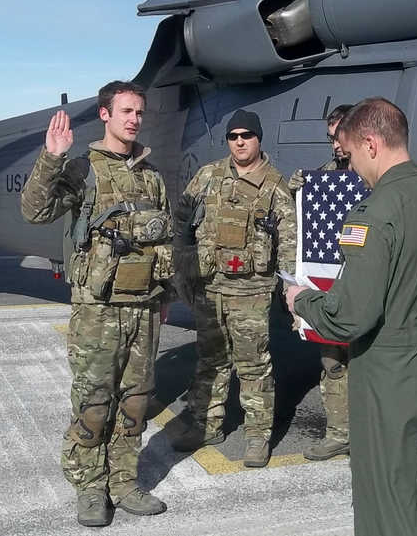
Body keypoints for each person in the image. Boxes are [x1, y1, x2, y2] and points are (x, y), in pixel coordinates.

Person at [285, 99, 417, 536]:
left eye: (354, 156)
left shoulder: (375, 213)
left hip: (388, 375)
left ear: (372, 144)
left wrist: (302, 300)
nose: (355, 169)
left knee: (385, 507)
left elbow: (348, 318)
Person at [21, 81, 174, 528]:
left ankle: (124, 481)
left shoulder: (151, 175)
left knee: (136, 400)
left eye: (139, 112)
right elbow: (35, 211)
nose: (134, 119)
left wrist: (163, 296)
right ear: (105, 115)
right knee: (94, 401)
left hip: (144, 308)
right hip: (98, 309)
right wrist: (52, 157)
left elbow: (162, 240)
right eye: (126, 111)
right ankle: (90, 485)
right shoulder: (83, 169)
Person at [169, 109, 297, 467]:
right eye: (233, 136)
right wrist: (182, 262)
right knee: (210, 361)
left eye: (246, 135)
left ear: (258, 138)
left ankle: (257, 436)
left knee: (253, 365)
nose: (239, 141)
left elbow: (288, 241)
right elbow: (182, 216)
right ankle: (206, 425)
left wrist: (290, 287)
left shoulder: (274, 185)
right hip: (211, 289)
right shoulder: (208, 176)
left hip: (251, 292)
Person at [287, 103, 354, 461]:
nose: (335, 146)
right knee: (332, 360)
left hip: (366, 283)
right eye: (331, 138)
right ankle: (339, 432)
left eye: (340, 137)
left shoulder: (379, 173)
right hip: (333, 283)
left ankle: (374, 432)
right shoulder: (325, 175)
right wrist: (297, 192)